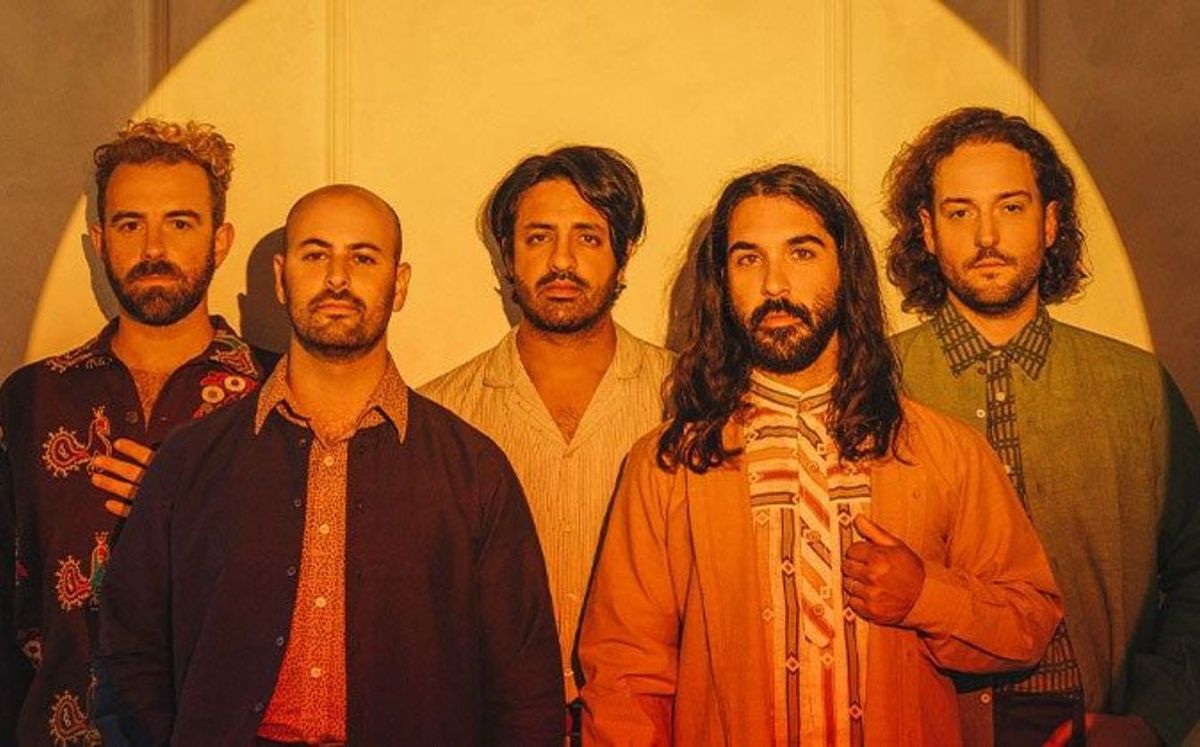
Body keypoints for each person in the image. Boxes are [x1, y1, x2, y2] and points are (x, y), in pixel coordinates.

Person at [578, 164, 1062, 746]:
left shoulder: (943, 450)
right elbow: (625, 678)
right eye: (748, 259)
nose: (775, 285)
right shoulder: (669, 466)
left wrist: (925, 597)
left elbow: (1029, 623)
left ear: (845, 269)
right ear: (721, 283)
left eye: (802, 253)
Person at [92, 184, 564, 745]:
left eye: (363, 258)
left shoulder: (473, 471)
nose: (337, 278)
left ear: (400, 284)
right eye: (315, 255)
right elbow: (130, 649)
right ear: (281, 278)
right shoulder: (192, 460)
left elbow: (525, 691)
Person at [885, 106, 1200, 746]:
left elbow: (1196, 573)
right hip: (930, 728)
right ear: (927, 230)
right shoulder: (875, 386)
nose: (986, 236)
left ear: (1050, 221)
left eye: (1011, 207)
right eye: (960, 212)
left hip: (1098, 722)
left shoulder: (1135, 387)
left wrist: (1150, 722)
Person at [0, 118, 267, 746]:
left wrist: (188, 509)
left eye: (180, 223)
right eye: (129, 224)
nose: (153, 248)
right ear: (99, 241)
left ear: (221, 239)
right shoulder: (32, 399)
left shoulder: (276, 396)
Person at [420, 146, 672, 707]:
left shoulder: (687, 402)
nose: (562, 261)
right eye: (538, 238)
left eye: (588, 238)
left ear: (624, 254)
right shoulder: (441, 415)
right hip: (490, 721)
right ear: (507, 256)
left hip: (647, 721)